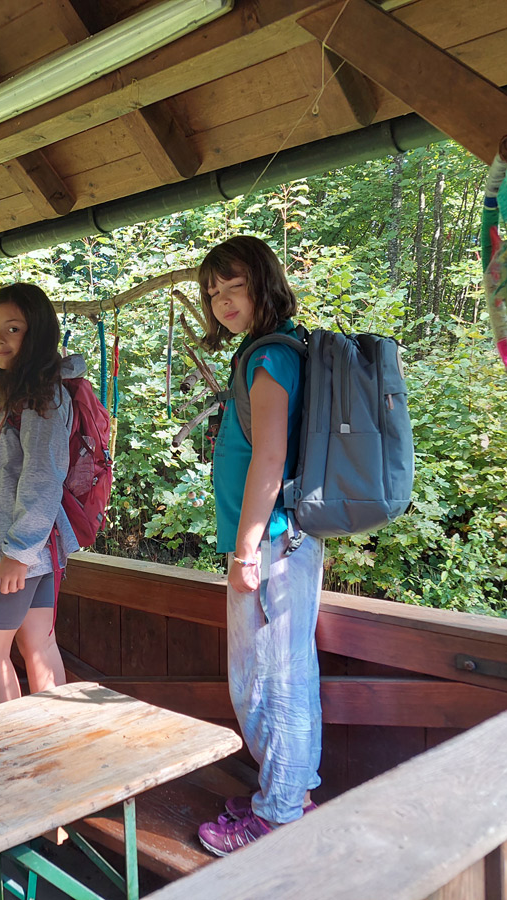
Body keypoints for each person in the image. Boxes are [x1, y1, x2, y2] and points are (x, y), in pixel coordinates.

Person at [194, 236, 325, 855]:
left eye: (234, 286)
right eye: (213, 291)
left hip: (270, 543)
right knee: (284, 675)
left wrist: (245, 550)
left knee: (267, 683)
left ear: (264, 285)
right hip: (284, 540)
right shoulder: (280, 348)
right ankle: (291, 796)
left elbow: (270, 458)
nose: (222, 300)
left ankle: (277, 817)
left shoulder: (269, 358)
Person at [0, 283, 82, 706]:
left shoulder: (40, 396)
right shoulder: (13, 393)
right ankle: (55, 740)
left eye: (12, 329)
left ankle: (6, 745)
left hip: (18, 543)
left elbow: (43, 476)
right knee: (38, 643)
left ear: (36, 332)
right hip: (38, 542)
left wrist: (17, 553)